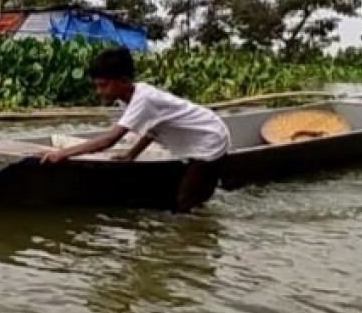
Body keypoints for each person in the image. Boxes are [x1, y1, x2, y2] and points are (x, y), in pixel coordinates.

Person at [39, 46, 232, 213]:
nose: (99, 92)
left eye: (103, 86)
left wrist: (62, 154)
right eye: (97, 86)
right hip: (203, 134)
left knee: (184, 204)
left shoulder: (143, 99)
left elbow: (109, 140)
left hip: (209, 140)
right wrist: (131, 154)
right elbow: (151, 129)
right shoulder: (131, 98)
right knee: (197, 195)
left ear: (123, 81)